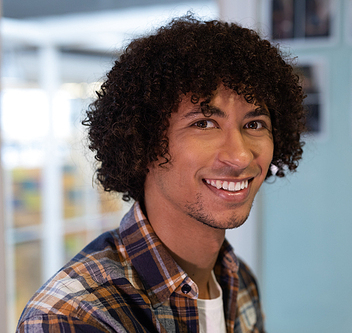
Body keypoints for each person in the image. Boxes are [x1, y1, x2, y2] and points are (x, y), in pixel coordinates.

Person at [17, 15, 306, 333]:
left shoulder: (240, 281)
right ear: (144, 142)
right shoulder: (72, 316)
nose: (239, 156)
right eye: (204, 124)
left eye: (254, 124)